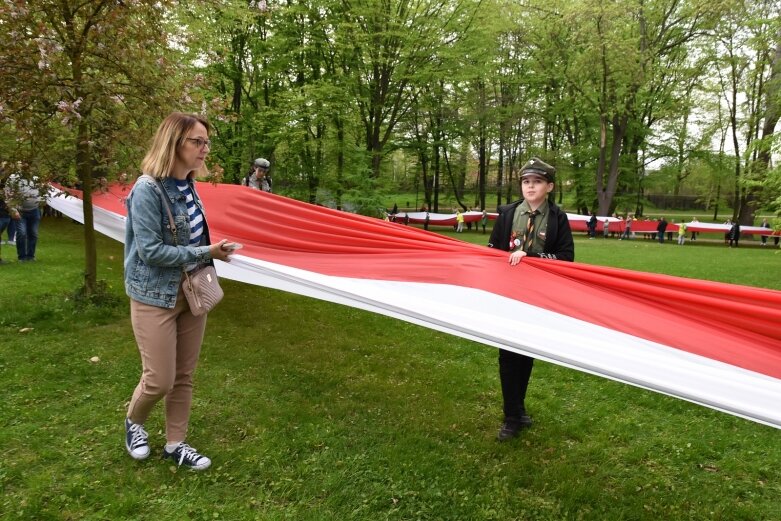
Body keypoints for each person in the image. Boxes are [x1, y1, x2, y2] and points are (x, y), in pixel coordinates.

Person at [123, 112, 237, 470]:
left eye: (206, 142)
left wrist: (214, 254)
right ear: (174, 143)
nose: (205, 149)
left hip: (192, 294)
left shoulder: (190, 186)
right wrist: (207, 251)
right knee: (159, 379)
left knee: (184, 376)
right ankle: (134, 424)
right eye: (197, 142)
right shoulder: (146, 189)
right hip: (154, 296)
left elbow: (192, 237)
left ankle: (176, 443)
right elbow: (151, 252)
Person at [487, 157, 574, 442]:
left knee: (525, 353)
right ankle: (511, 416)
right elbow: (492, 252)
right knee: (508, 354)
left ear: (549, 186)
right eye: (526, 181)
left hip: (538, 296)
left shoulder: (558, 218)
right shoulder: (507, 214)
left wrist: (532, 257)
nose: (530, 187)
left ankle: (518, 409)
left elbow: (566, 258)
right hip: (509, 294)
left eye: (537, 182)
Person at [6, 165, 42, 262]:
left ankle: (31, 256)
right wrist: (13, 210)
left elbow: (42, 192)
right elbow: (8, 195)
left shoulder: (36, 178)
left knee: (33, 234)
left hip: (34, 210)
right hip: (20, 211)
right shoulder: (13, 178)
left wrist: (41, 201)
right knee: (22, 233)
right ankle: (21, 257)